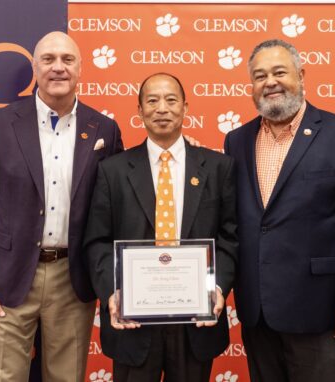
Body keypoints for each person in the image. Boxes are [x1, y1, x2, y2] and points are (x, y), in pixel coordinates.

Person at [0, 31, 123, 382]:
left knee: (66, 377)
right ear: (34, 67)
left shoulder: (104, 128)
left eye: (68, 60)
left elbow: (122, 198)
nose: (59, 68)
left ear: (81, 69)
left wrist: (176, 150)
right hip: (6, 279)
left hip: (73, 279)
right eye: (49, 59)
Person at [83, 73, 237, 381]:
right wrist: (114, 292)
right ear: (139, 111)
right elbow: (97, 241)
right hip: (133, 320)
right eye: (152, 101)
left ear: (185, 107)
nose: (162, 108)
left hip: (195, 319)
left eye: (171, 100)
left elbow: (230, 238)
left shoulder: (219, 168)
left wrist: (217, 288)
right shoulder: (112, 171)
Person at [223, 39, 335, 382]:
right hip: (257, 310)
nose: (270, 82)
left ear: (302, 75)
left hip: (319, 311)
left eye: (280, 72)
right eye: (260, 75)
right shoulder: (235, 141)